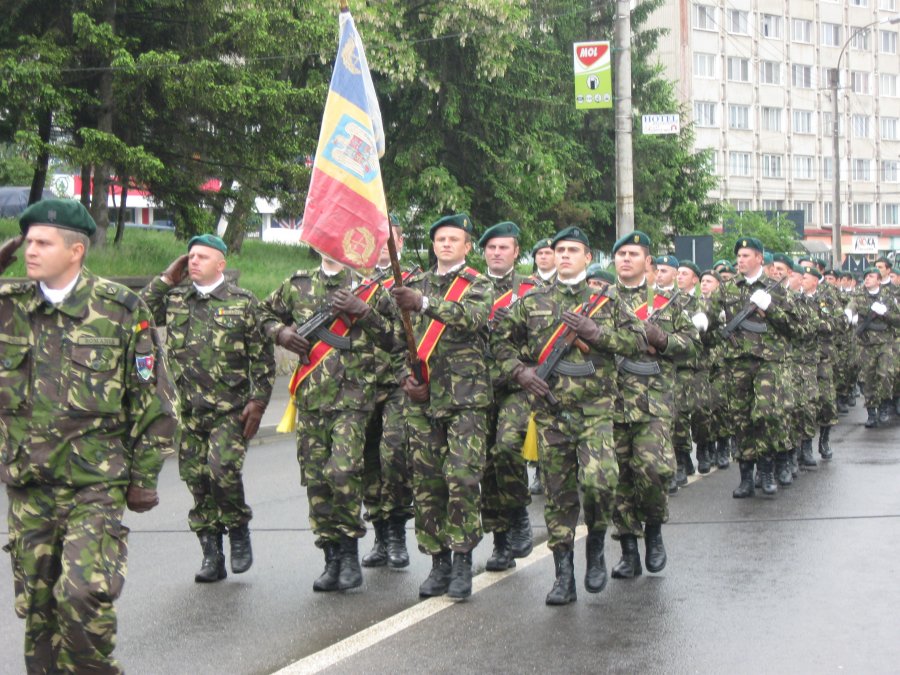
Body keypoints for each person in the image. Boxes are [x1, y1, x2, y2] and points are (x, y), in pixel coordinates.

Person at [0, 199, 178, 673]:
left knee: (80, 597)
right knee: (39, 611)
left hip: (94, 485)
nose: (30, 251)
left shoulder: (119, 309)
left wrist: (144, 477)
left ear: (76, 250)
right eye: (28, 241)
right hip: (29, 483)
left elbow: (154, 400)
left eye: (43, 242)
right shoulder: (8, 306)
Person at [493, 226, 646, 604]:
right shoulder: (532, 302)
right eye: (559, 250)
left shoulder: (606, 302)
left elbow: (639, 341)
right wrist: (519, 371)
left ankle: (595, 542)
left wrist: (598, 333)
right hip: (550, 413)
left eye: (572, 250)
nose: (564, 255)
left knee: (600, 482)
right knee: (558, 496)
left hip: (595, 410)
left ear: (588, 257)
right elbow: (497, 340)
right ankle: (564, 575)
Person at [141, 234, 275, 582]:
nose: (193, 261)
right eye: (190, 256)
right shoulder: (175, 300)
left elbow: (262, 358)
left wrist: (259, 401)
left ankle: (238, 527)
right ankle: (212, 554)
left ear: (221, 264)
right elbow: (138, 313)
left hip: (230, 410)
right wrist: (167, 279)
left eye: (202, 256)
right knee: (197, 480)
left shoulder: (243, 302)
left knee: (222, 470)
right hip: (189, 411)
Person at [260, 252, 393, 592]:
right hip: (311, 399)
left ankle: (349, 551)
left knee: (344, 471)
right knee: (317, 478)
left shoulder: (368, 287)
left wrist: (363, 312)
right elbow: (259, 314)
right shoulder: (297, 284)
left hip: (353, 397)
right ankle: (330, 556)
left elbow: (394, 338)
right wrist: (281, 334)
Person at [389, 213, 493, 601]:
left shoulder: (477, 285)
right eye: (440, 239)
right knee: (427, 483)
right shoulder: (411, 285)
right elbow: (397, 342)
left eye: (455, 239)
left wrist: (425, 304)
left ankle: (463, 560)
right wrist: (406, 378)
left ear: (468, 246)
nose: (446, 244)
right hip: (423, 400)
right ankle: (438, 562)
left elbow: (474, 319)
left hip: (466, 398)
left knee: (462, 479)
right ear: (433, 245)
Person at [610, 232, 700, 578]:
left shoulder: (668, 304)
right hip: (612, 402)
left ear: (648, 262)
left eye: (633, 254)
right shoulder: (599, 302)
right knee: (618, 478)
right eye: (620, 254)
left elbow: (691, 346)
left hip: (653, 403)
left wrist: (662, 340)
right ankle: (629, 549)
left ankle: (654, 531)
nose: (626, 259)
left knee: (652, 472)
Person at [717, 238, 803, 498]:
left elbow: (798, 328)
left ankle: (765, 471)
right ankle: (745, 477)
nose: (740, 260)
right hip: (737, 362)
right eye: (738, 256)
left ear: (759, 259)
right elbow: (709, 318)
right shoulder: (727, 289)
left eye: (745, 255)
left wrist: (771, 309)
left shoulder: (775, 290)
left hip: (768, 362)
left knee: (764, 414)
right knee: (740, 418)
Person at [478, 221, 535, 571]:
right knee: (485, 461)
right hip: (477, 385)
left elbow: (543, 339)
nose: (497, 253)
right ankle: (499, 540)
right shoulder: (468, 288)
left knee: (507, 447)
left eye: (504, 247)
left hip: (516, 385)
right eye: (491, 248)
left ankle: (518, 514)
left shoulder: (530, 290)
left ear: (516, 252)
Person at [361, 223, 415, 569]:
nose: (382, 245)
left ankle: (397, 533)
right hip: (359, 382)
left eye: (388, 238)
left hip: (398, 382)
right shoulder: (351, 281)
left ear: (400, 241)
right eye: (373, 237)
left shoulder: (412, 280)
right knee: (367, 461)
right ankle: (380, 535)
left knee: (393, 455)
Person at [848, 268, 900, 427]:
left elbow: (898, 320)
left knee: (885, 375)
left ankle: (884, 406)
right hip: (866, 344)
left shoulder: (888, 297)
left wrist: (886, 314)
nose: (867, 279)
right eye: (866, 276)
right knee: (867, 379)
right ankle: (871, 412)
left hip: (885, 343)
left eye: (871, 276)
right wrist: (849, 315)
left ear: (879, 280)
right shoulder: (858, 295)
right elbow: (851, 306)